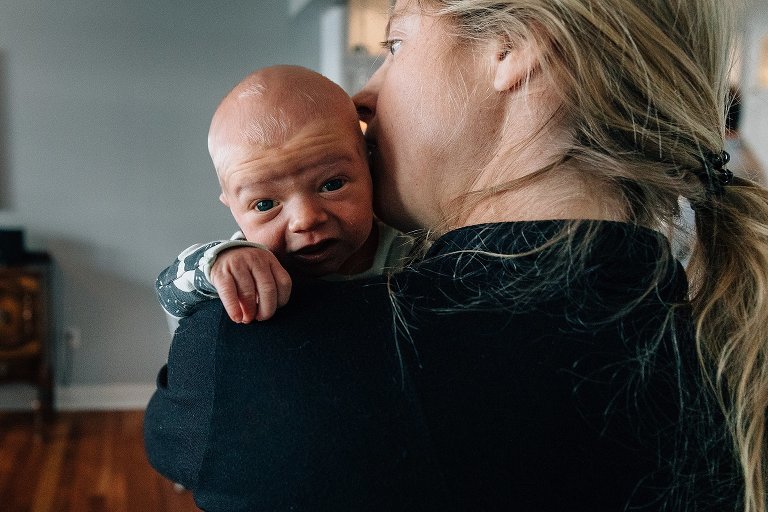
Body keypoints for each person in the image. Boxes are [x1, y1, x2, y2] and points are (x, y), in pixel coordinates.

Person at [144, 1, 768, 511]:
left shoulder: (264, 356)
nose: (361, 99)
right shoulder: (733, 347)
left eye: (395, 45)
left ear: (516, 46)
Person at [156, 65, 413, 328]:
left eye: (332, 184)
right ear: (232, 208)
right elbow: (168, 293)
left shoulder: (411, 251)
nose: (305, 220)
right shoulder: (244, 262)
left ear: (370, 168)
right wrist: (217, 265)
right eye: (265, 204)